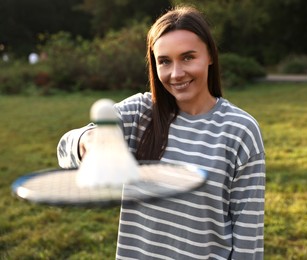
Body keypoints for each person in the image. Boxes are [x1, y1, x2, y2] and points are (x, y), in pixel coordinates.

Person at [57, 5, 266, 259]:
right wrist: (89, 141)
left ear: (210, 55)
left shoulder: (240, 130)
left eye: (188, 57)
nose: (176, 74)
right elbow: (65, 150)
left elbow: (248, 238)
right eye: (164, 61)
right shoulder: (140, 113)